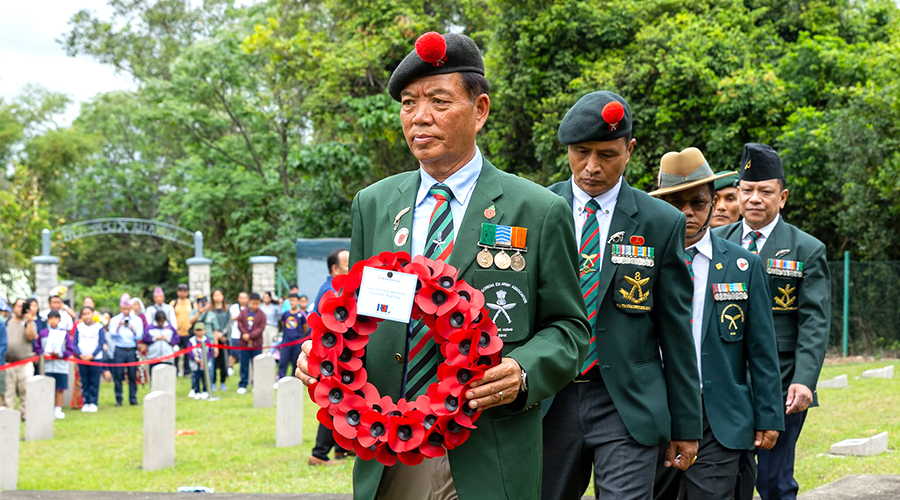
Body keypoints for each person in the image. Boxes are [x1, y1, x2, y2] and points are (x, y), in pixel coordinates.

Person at [295, 31, 590, 499]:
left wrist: (523, 370)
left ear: (480, 110)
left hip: (487, 442)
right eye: (409, 103)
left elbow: (570, 328)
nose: (420, 117)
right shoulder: (372, 205)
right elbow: (353, 313)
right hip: (392, 443)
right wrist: (323, 353)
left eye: (438, 100)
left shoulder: (536, 210)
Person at [542, 90, 702, 500]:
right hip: (549, 398)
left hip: (627, 403)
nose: (592, 167)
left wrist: (686, 425)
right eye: (581, 152)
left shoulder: (660, 222)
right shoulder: (539, 209)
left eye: (607, 154)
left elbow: (676, 330)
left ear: (629, 150)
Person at [649, 148, 784, 499]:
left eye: (697, 202)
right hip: (655, 407)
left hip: (718, 412)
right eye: (676, 204)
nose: (688, 213)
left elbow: (762, 346)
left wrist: (769, 415)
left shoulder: (743, 265)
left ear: (713, 203)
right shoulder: (641, 260)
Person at [715, 143, 831, 500]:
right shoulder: (716, 242)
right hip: (728, 382)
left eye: (765, 191)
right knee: (728, 478)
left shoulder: (806, 249)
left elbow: (815, 321)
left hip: (782, 386)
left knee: (774, 481)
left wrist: (804, 380)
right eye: (746, 191)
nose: (754, 199)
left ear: (781, 198)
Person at [307, 248, 353, 466]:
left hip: (338, 358)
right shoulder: (332, 291)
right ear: (335, 268)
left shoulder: (335, 288)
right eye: (347, 262)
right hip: (332, 359)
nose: (352, 264)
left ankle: (341, 449)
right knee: (333, 402)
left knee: (344, 402)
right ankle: (319, 454)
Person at [34, 311, 75, 419]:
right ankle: (48, 408)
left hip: (61, 365)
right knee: (47, 387)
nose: (53, 320)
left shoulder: (64, 334)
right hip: (47, 365)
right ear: (48, 320)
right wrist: (43, 353)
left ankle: (58, 409)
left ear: (59, 320)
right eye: (51, 318)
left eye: (55, 318)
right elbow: (37, 347)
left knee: (60, 388)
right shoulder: (43, 333)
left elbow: (70, 349)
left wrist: (60, 354)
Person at [108, 294, 143, 406]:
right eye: (124, 309)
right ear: (120, 308)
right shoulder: (115, 320)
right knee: (118, 375)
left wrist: (132, 329)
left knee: (132, 375)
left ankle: (133, 398)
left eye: (128, 309)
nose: (126, 311)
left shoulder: (137, 320)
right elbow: (111, 334)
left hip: (131, 349)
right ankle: (119, 398)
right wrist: (119, 326)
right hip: (119, 349)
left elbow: (140, 336)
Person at [4, 299, 37, 416]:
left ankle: (25, 414)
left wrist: (29, 321)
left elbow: (30, 337)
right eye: (18, 306)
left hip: (25, 362)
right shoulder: (7, 322)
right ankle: (7, 414)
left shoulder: (30, 323)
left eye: (22, 306)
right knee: (8, 391)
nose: (20, 309)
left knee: (25, 390)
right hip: (8, 363)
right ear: (14, 307)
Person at [73, 306, 106, 413]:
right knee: (84, 380)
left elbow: (101, 343)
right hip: (82, 358)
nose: (87, 316)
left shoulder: (99, 327)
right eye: (84, 314)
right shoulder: (79, 327)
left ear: (93, 314)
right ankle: (86, 402)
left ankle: (93, 402)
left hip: (95, 358)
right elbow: (75, 343)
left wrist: (92, 355)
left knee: (94, 380)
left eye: (89, 313)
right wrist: (80, 354)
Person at [236, 293, 265, 395]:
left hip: (256, 344)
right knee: (244, 364)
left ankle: (256, 384)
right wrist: (245, 334)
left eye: (257, 303)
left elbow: (261, 328)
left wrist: (251, 336)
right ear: (249, 302)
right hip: (244, 343)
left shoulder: (262, 315)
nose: (254, 305)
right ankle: (243, 384)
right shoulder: (243, 313)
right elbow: (239, 323)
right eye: (253, 303)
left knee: (256, 365)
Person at [277, 293, 308, 380]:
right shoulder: (286, 314)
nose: (292, 302)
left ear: (298, 301)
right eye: (290, 300)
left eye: (294, 300)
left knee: (296, 362)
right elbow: (283, 325)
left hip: (297, 343)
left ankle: (294, 380)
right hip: (286, 342)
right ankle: (281, 379)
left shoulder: (301, 314)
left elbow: (305, 328)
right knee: (283, 362)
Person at [142, 310, 180, 380]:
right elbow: (145, 339)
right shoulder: (149, 327)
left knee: (166, 378)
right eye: (159, 321)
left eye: (162, 321)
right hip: (153, 357)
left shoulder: (170, 327)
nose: (160, 323)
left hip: (167, 357)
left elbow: (177, 340)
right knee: (154, 378)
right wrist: (154, 338)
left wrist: (167, 339)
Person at [206, 289, 231, 391]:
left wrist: (223, 333)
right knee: (213, 362)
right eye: (215, 295)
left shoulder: (226, 309)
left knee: (224, 361)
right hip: (212, 338)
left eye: (219, 295)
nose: (217, 297)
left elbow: (229, 323)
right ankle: (213, 382)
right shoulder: (210, 310)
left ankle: (223, 382)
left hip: (224, 338)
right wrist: (216, 334)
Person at [170, 284, 196, 377]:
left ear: (187, 292)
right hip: (176, 332)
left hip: (188, 332)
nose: (182, 292)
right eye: (181, 290)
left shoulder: (191, 303)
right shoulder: (173, 303)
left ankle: (187, 372)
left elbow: (195, 316)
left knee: (187, 353)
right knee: (176, 353)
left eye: (184, 291)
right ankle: (175, 371)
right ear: (178, 292)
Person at [187, 321, 216, 400]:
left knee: (205, 377)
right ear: (194, 331)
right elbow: (189, 352)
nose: (199, 332)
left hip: (205, 364)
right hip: (195, 364)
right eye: (197, 330)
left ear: (204, 330)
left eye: (201, 330)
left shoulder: (207, 340)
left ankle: (205, 391)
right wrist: (195, 359)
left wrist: (205, 360)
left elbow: (210, 351)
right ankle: (196, 391)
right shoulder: (191, 341)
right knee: (195, 378)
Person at [228, 292, 249, 376]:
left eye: (245, 298)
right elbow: (229, 318)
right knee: (234, 352)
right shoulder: (233, 308)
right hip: (235, 333)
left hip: (246, 334)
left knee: (244, 353)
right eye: (241, 298)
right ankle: (230, 367)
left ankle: (243, 368)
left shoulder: (249, 308)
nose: (243, 300)